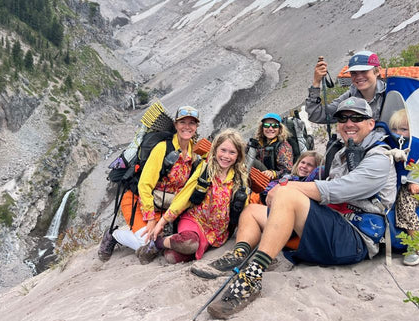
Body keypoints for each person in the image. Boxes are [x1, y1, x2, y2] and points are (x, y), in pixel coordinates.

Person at [200, 97, 397, 319]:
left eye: (356, 118)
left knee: (286, 194)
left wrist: (288, 186)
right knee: (252, 211)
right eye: (343, 117)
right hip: (331, 225)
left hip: (354, 237)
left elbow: (341, 190)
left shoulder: (379, 157)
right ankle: (240, 253)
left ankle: (252, 275)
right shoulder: (345, 151)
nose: (349, 123)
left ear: (371, 123)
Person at [138, 129, 248, 264]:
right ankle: (158, 243)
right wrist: (162, 222)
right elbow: (183, 197)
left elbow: (243, 206)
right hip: (195, 221)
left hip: (217, 233)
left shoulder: (239, 178)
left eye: (232, 152)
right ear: (215, 150)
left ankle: (173, 245)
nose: (226, 156)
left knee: (172, 257)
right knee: (188, 243)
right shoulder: (205, 170)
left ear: (238, 155)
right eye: (223, 150)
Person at [106, 106, 201, 259]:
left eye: (192, 123)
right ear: (176, 125)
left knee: (156, 242)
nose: (187, 127)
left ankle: (135, 229)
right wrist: (150, 219)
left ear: (196, 127)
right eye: (183, 122)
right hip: (138, 200)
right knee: (144, 243)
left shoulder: (194, 155)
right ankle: (115, 234)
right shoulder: (162, 148)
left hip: (162, 206)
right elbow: (144, 185)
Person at [305, 50, 419, 122]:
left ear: (377, 71)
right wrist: (316, 83)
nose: (358, 76)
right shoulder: (350, 97)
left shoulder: (396, 93)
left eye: (364, 71)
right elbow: (317, 115)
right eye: (354, 73)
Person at [388, 108, 419, 266]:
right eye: (395, 129)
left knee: (405, 203)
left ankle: (416, 243)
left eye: (404, 129)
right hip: (396, 183)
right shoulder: (392, 142)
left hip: (417, 187)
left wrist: (416, 180)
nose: (398, 133)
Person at [249, 113, 293, 180]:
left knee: (253, 161)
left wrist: (273, 173)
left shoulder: (283, 146)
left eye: (275, 126)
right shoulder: (257, 142)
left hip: (274, 181)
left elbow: (287, 171)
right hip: (257, 177)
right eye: (266, 125)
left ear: (280, 128)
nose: (270, 128)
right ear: (262, 128)